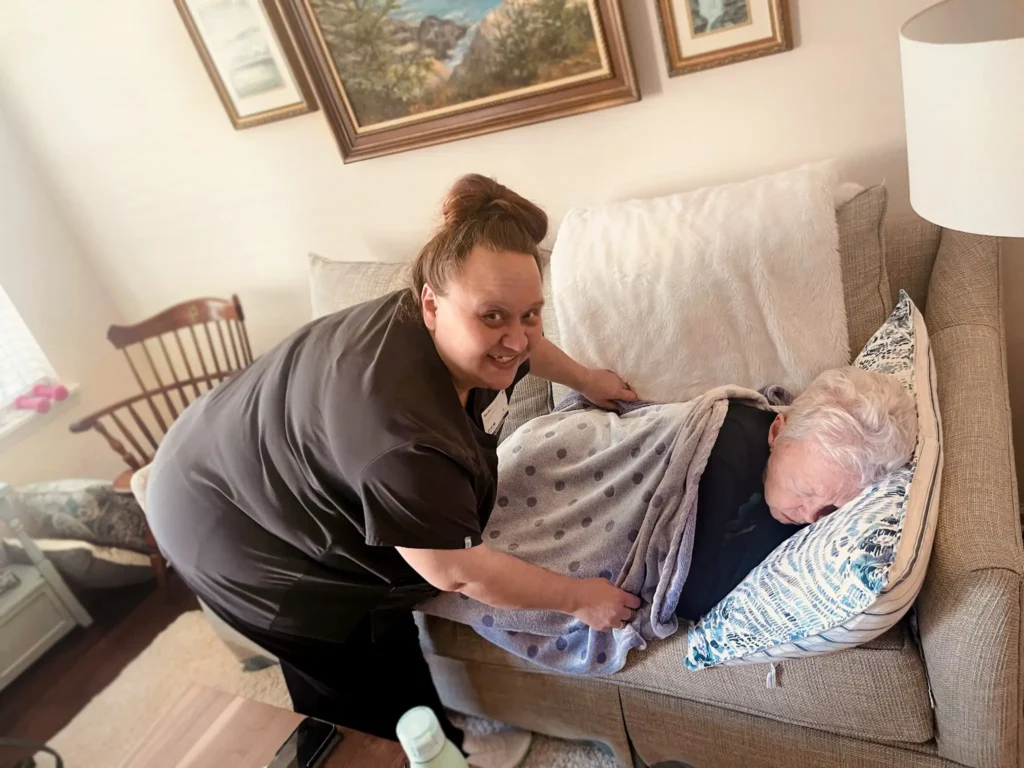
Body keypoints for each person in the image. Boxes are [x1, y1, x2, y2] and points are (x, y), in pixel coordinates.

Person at [144, 174, 641, 768]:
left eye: (531, 312)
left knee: (394, 643)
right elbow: (457, 572)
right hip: (226, 531)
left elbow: (521, 344)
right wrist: (581, 598)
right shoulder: (404, 442)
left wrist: (588, 380)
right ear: (431, 304)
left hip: (229, 445)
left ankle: (444, 732)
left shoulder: (441, 312)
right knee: (363, 703)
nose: (517, 336)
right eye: (492, 317)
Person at [676, 367, 917, 619]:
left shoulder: (807, 479)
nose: (810, 518)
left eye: (832, 510)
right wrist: (774, 533)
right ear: (777, 432)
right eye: (802, 490)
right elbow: (686, 594)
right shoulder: (723, 452)